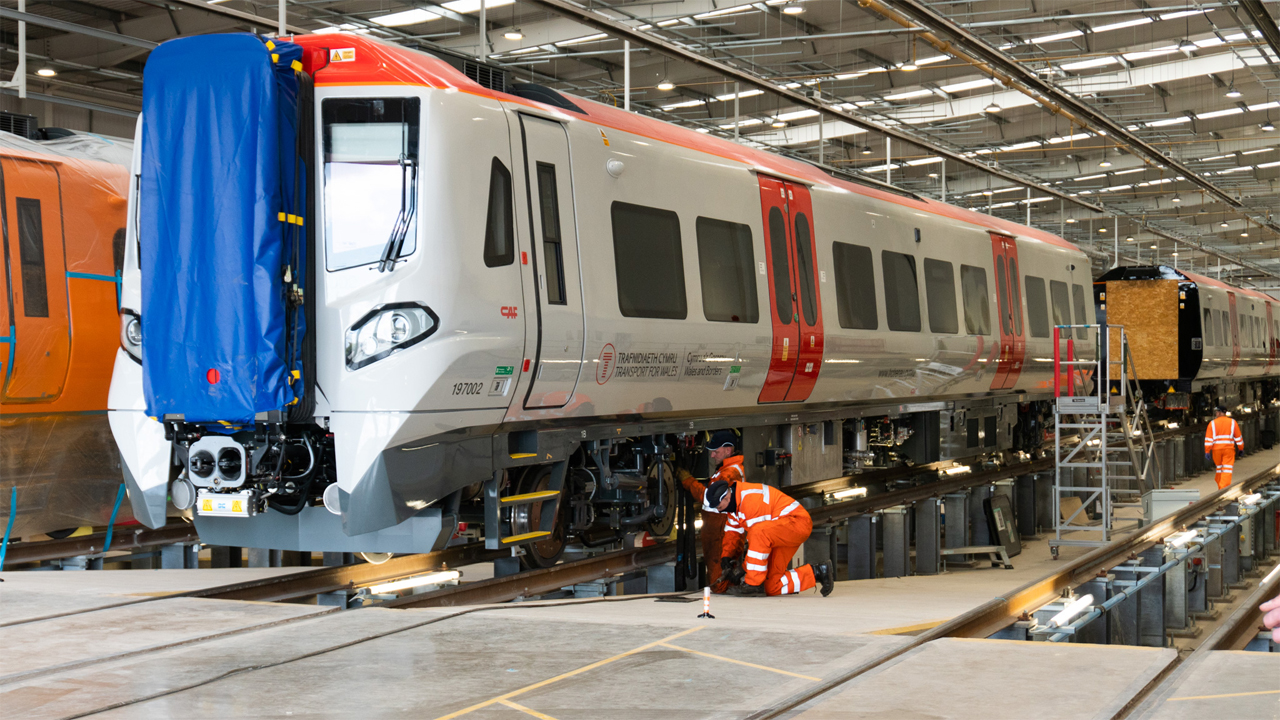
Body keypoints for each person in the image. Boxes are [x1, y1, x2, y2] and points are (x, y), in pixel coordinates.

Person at [703, 478, 834, 597]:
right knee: (771, 586)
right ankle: (818, 572)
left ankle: (753, 585)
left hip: (796, 523)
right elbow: (733, 533)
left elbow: (758, 542)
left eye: (720, 507)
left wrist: (742, 569)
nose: (720, 511)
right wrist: (727, 557)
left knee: (758, 532)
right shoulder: (734, 507)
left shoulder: (751, 501)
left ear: (726, 497)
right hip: (780, 531)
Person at [675, 430, 744, 593]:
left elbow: (709, 498)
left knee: (719, 579)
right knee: (721, 574)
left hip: (720, 531)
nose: (712, 455)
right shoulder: (726, 469)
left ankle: (722, 604)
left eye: (716, 451)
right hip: (718, 529)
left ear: (728, 450)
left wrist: (688, 481)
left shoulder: (729, 473)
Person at [1204, 406, 1244, 490]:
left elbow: (1208, 439)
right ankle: (1223, 489)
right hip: (1228, 449)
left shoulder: (1212, 423)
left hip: (1216, 450)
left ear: (1219, 413)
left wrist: (1207, 451)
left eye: (1216, 412)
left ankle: (1220, 487)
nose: (1216, 414)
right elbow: (1238, 437)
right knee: (1227, 470)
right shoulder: (1232, 422)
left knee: (1219, 469)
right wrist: (1241, 448)